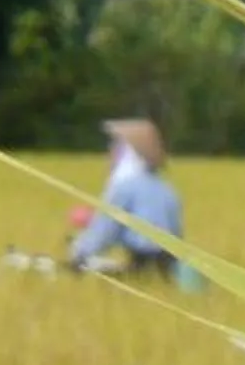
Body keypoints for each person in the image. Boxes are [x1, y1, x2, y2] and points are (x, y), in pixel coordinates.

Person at [68, 117, 186, 278]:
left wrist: (78, 252)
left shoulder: (124, 186)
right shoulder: (167, 189)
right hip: (169, 269)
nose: (110, 151)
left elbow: (105, 231)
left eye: (115, 146)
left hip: (141, 265)